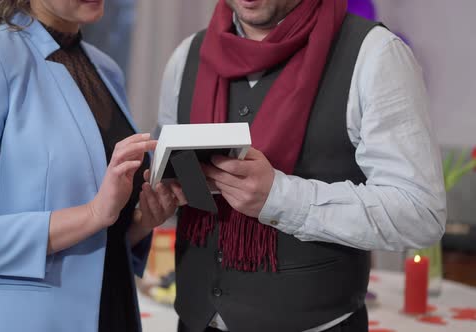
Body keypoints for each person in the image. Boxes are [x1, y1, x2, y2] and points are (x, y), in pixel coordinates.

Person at [156, 0, 447, 331]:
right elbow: (169, 183)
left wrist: (281, 197)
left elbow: (420, 213)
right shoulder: (185, 56)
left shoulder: (375, 54)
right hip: (194, 322)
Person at [0, 0, 184, 331]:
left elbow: (98, 239)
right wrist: (92, 214)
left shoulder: (106, 69)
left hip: (115, 312)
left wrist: (141, 223)